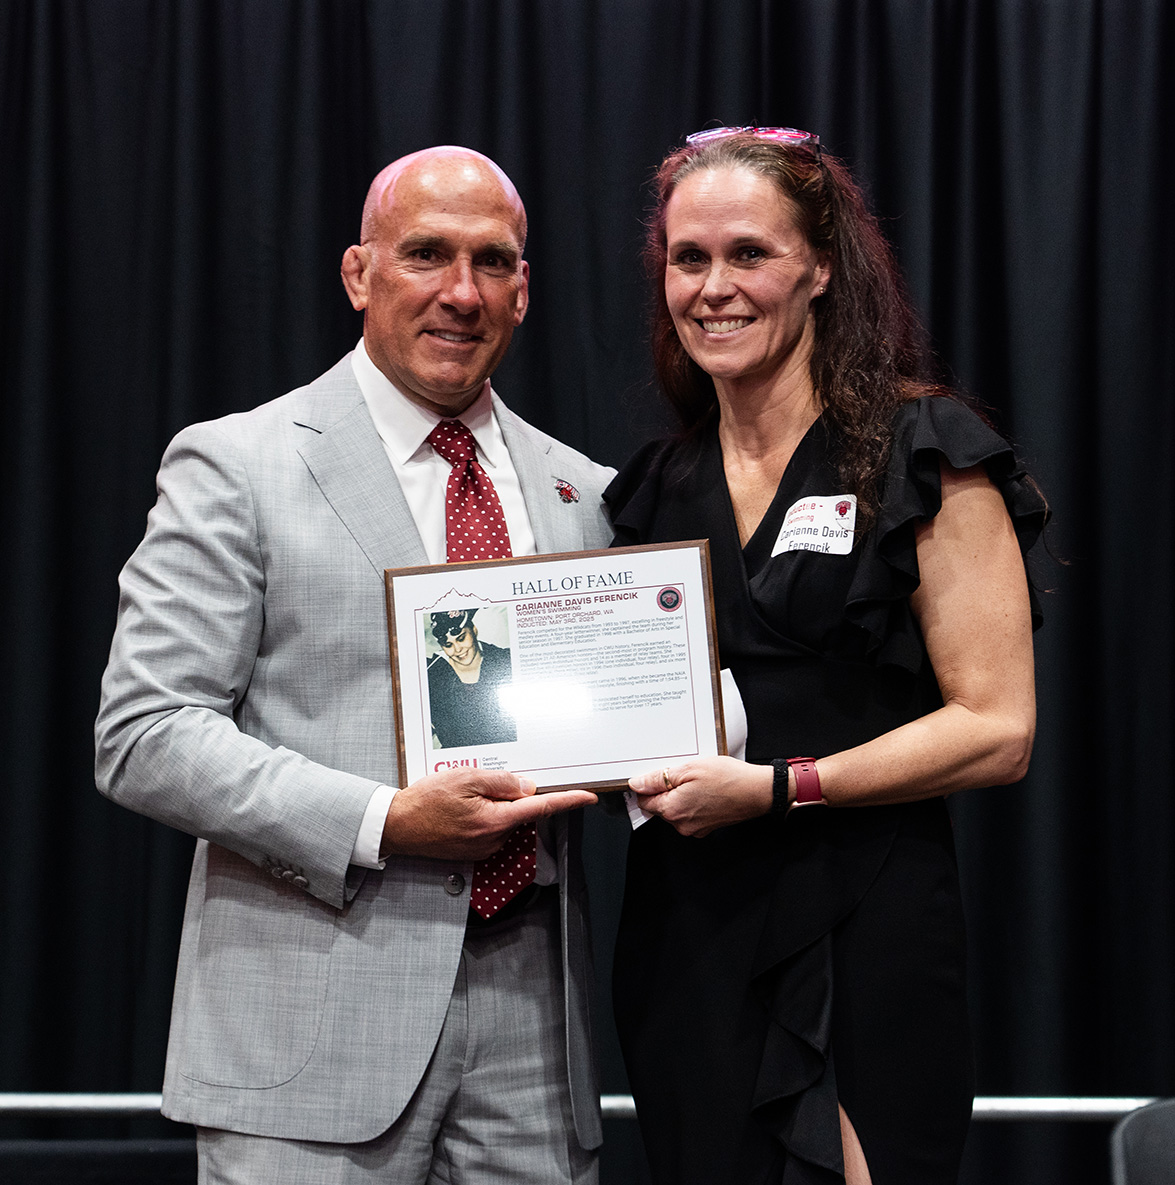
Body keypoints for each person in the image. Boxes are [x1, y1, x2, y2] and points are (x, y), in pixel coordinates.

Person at [95, 146, 613, 1184]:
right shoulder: (238, 464)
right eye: (425, 254)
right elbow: (145, 735)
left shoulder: (584, 493)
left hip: (533, 1042)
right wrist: (383, 824)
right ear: (358, 274)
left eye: (491, 262)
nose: (459, 292)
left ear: (523, 290)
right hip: (306, 1037)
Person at [606, 127, 1047, 1185]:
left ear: (817, 267)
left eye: (748, 254)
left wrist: (777, 790)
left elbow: (997, 730)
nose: (713, 287)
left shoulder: (919, 451)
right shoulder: (651, 489)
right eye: (688, 257)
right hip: (690, 929)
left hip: (868, 918)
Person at [427, 608, 517, 747]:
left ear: (474, 630)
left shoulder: (506, 661)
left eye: (461, 638)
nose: (457, 649)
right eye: (448, 645)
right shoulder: (431, 676)